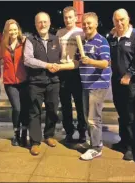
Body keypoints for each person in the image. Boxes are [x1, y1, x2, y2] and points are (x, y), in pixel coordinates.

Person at [53, 12, 111, 160]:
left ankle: (96, 148)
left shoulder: (101, 41)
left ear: (96, 24)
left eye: (89, 23)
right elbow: (78, 62)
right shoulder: (83, 42)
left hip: (97, 84)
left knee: (93, 118)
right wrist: (60, 66)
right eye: (84, 23)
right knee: (87, 117)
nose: (86, 26)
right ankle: (94, 142)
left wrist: (90, 61)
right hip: (85, 84)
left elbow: (105, 63)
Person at [109, 9, 135, 161]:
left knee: (131, 115)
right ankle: (123, 141)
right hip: (116, 81)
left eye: (122, 19)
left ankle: (132, 146)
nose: (119, 23)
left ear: (128, 19)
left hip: (132, 82)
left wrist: (129, 74)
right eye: (116, 20)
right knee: (121, 113)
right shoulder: (112, 36)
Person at [23, 12, 62, 156]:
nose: (42, 25)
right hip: (36, 82)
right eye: (39, 22)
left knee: (53, 110)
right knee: (35, 112)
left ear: (50, 23)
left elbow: (61, 58)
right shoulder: (30, 40)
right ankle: (35, 142)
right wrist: (46, 65)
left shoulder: (56, 40)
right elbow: (27, 60)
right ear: (35, 24)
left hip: (54, 82)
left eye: (45, 22)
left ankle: (49, 135)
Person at [56, 6, 86, 143]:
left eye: (70, 17)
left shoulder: (81, 32)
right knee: (65, 105)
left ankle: (82, 132)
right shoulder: (59, 33)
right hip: (62, 72)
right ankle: (68, 131)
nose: (68, 20)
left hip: (76, 72)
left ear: (76, 18)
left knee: (80, 105)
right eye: (65, 17)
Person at [0, 19, 28, 147]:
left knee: (25, 109)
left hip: (24, 81)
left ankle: (24, 134)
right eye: (10, 30)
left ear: (18, 30)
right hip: (10, 82)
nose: (13, 32)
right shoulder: (2, 44)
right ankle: (16, 134)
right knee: (17, 108)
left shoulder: (24, 42)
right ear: (6, 31)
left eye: (15, 29)